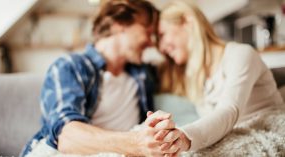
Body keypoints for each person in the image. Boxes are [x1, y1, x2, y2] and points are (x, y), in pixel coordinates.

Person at [20, 1, 183, 156]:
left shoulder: (143, 74)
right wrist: (137, 142)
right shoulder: (70, 66)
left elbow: (183, 61)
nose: (150, 43)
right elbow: (67, 137)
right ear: (120, 24)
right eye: (147, 32)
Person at [149, 0, 285, 153]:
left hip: (267, 131)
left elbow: (229, 110)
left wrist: (185, 137)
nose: (161, 48)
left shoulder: (240, 54)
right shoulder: (194, 77)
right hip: (234, 138)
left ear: (187, 21)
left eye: (162, 35)